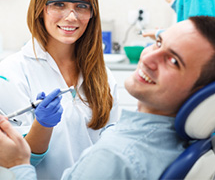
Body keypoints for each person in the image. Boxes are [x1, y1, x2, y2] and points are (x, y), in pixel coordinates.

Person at [1, 15, 215, 180]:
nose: (149, 57)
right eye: (158, 43)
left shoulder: (115, 157)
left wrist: (18, 165)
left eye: (174, 61)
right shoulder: (183, 142)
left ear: (203, 93)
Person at [0, 0, 119, 179]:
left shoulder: (104, 76)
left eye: (82, 6)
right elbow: (16, 162)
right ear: (40, 8)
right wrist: (42, 126)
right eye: (59, 4)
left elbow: (112, 146)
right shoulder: (11, 73)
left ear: (92, 13)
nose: (71, 17)